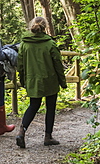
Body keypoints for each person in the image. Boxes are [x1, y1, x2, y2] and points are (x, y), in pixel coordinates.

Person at [16, 16, 67, 148]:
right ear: (45, 27)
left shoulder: (24, 44)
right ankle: (48, 136)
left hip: (33, 80)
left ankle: (22, 131)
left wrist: (22, 81)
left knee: (33, 106)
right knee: (50, 108)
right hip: (50, 80)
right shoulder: (50, 44)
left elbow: (20, 66)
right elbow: (58, 65)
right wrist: (62, 82)